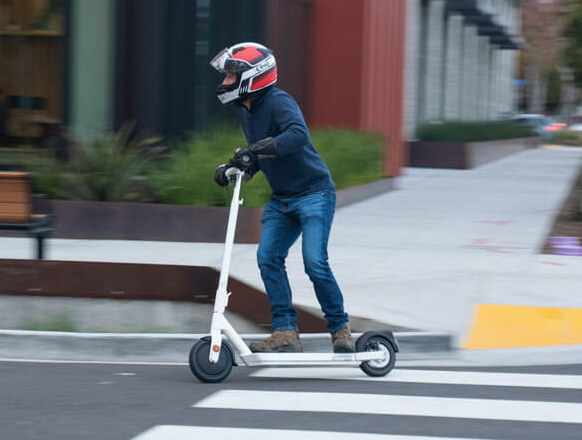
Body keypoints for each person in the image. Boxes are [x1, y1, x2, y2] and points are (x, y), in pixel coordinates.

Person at [211, 42, 355, 353]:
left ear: (252, 78)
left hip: (314, 193)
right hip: (282, 200)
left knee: (315, 263)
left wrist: (255, 149)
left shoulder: (279, 101)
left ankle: (340, 329)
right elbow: (261, 156)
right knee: (268, 258)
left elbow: (297, 135)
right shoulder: (247, 113)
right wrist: (236, 167)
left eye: (231, 76)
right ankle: (286, 332)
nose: (224, 82)